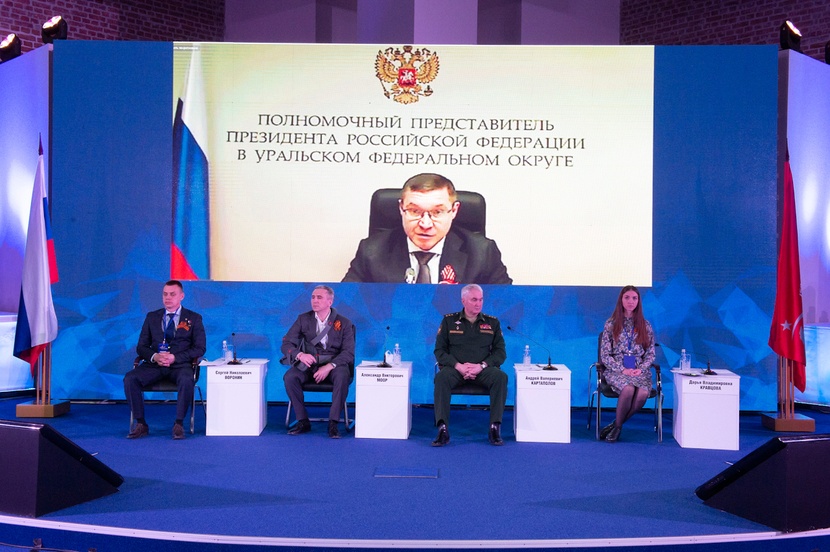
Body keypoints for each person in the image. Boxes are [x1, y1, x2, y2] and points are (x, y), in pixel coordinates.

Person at [342, 173, 511, 284]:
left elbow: (509, 310)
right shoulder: (372, 251)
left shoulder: (482, 253)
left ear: (454, 211)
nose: (425, 224)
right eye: (415, 211)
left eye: (437, 212)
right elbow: (346, 308)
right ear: (401, 208)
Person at [124, 280, 206, 440]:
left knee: (187, 379)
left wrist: (174, 357)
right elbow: (141, 347)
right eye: (165, 294)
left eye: (172, 294)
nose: (168, 298)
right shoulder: (152, 317)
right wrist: (155, 356)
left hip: (180, 365)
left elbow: (200, 348)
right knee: (130, 378)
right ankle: (141, 424)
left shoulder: (194, 318)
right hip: (155, 365)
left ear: (181, 296)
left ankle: (179, 424)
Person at [433, 283, 508, 446]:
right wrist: (458, 366)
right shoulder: (449, 321)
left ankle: (495, 427)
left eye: (481, 299)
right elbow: (439, 351)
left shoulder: (492, 323)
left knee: (500, 377)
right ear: (463, 301)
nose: (478, 303)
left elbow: (500, 353)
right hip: (455, 370)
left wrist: (482, 366)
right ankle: (442, 428)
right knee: (441, 378)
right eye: (474, 299)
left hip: (482, 370)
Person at [281, 285, 355, 439]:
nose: (314, 300)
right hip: (309, 364)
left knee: (342, 375)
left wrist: (329, 366)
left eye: (319, 297)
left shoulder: (345, 323)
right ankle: (303, 421)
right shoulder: (303, 319)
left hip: (334, 365)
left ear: (330, 302)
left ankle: (333, 423)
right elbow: (286, 344)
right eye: (313, 297)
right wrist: (300, 354)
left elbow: (348, 352)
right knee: (290, 377)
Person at [598, 285, 656, 442]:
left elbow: (650, 353)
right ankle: (617, 428)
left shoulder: (646, 325)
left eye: (634, 298)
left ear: (638, 301)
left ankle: (616, 425)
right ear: (621, 300)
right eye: (627, 297)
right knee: (628, 389)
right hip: (617, 370)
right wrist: (622, 369)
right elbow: (605, 355)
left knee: (642, 394)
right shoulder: (611, 324)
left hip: (639, 371)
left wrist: (641, 368)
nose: (631, 301)